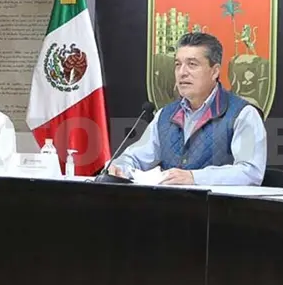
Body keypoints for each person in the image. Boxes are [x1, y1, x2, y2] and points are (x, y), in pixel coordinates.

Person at [108, 32, 267, 186]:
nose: (182, 73)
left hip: (218, 204)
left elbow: (250, 172)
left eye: (192, 64)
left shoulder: (243, 114)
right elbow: (134, 158)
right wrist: (119, 167)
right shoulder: (165, 115)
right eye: (178, 65)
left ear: (215, 71)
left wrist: (194, 177)